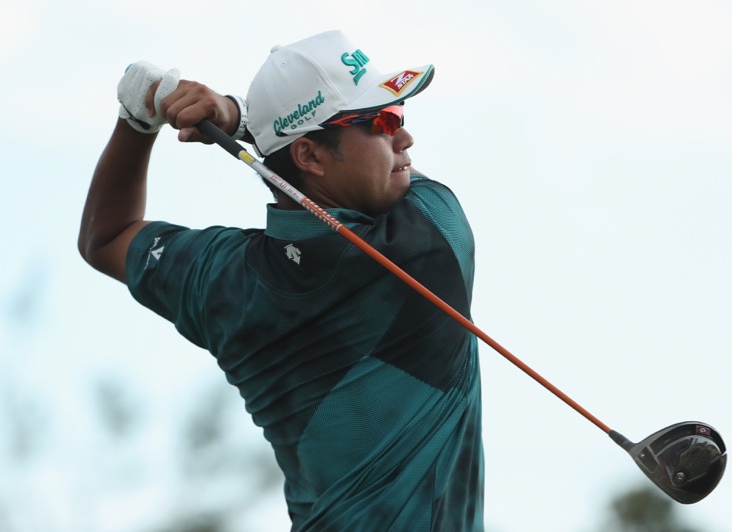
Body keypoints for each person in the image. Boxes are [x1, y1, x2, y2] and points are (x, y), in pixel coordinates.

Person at [79, 30, 484, 531]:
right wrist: (237, 117)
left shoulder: (225, 278)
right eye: (382, 121)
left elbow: (106, 236)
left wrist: (137, 122)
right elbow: (395, 178)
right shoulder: (431, 239)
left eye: (399, 115)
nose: (404, 137)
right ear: (311, 157)